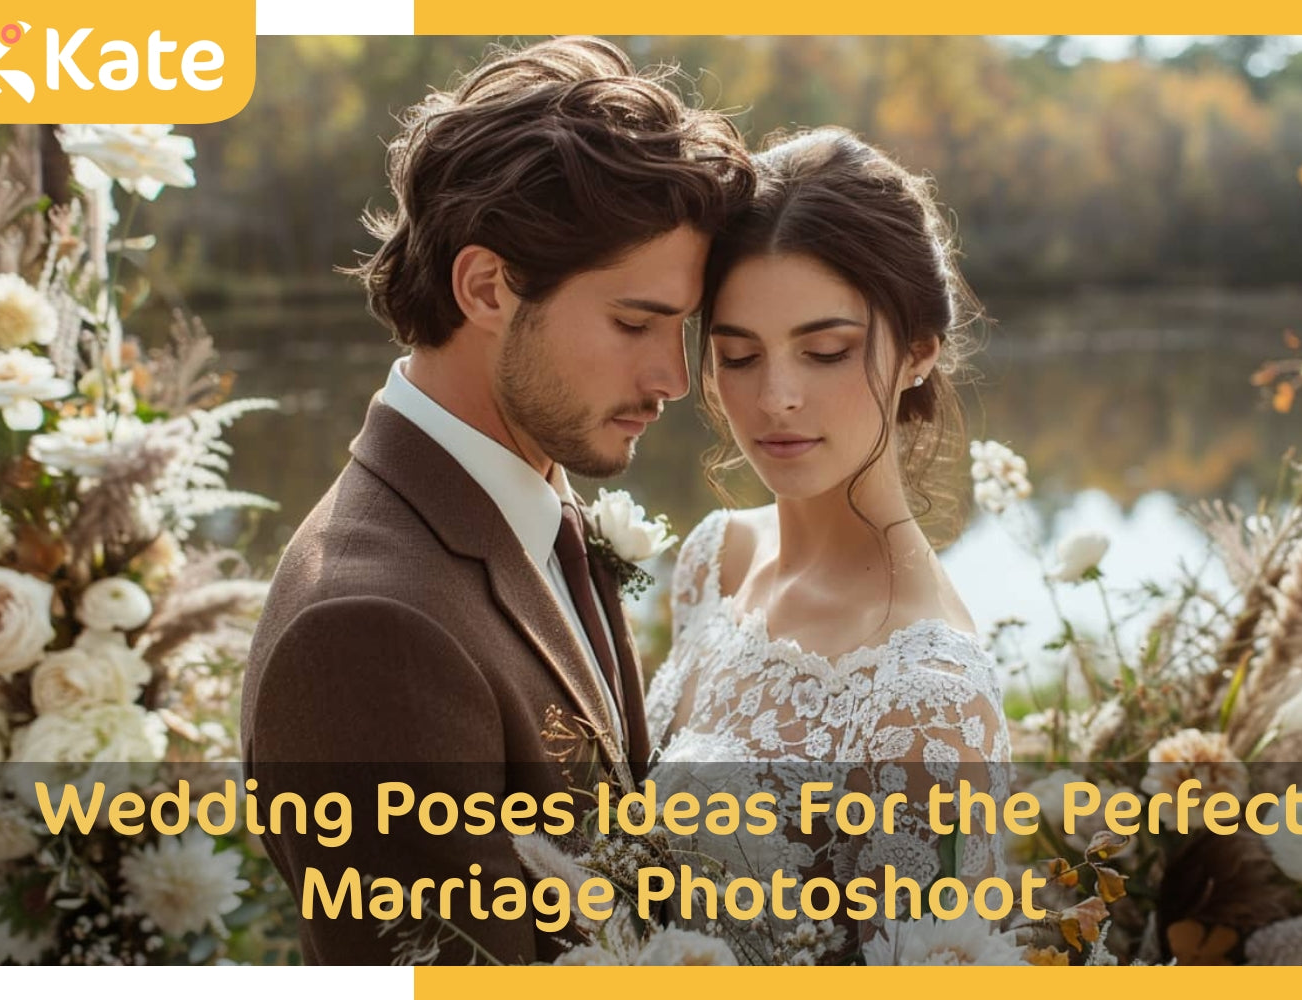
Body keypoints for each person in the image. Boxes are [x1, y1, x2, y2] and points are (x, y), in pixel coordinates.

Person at [241, 37, 754, 965]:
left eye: (681, 329)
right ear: (486, 287)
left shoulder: (535, 504)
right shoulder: (367, 630)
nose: (674, 378)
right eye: (635, 322)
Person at [644, 127, 1012, 946]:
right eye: (739, 356)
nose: (777, 398)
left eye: (825, 351)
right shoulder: (716, 559)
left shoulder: (930, 696)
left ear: (917, 351)